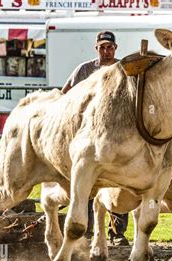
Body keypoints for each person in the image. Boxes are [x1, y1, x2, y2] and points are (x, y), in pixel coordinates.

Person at [62, 31, 129, 246]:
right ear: (96, 48)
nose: (106, 51)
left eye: (110, 47)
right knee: (87, 181)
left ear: (115, 48)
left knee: (118, 181)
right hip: (88, 133)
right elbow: (66, 93)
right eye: (102, 47)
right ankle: (86, 231)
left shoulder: (125, 68)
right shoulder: (85, 69)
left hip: (117, 133)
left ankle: (117, 233)